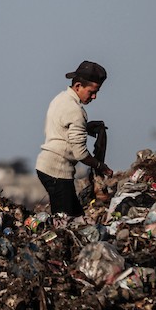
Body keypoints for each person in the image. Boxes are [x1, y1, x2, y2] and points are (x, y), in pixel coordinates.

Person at [36, 60, 113, 217]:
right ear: (78, 86)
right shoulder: (75, 111)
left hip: (47, 167)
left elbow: (62, 130)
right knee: (64, 220)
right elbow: (80, 153)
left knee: (77, 216)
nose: (94, 96)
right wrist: (100, 166)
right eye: (91, 92)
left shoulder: (61, 99)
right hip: (57, 171)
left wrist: (87, 127)